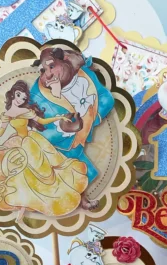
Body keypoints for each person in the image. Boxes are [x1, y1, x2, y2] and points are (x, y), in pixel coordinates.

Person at [0, 80, 89, 218]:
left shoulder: (25, 111)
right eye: (18, 95)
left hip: (30, 142)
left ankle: (54, 195)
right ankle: (24, 204)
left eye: (23, 98)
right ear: (13, 93)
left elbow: (42, 121)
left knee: (44, 172)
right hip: (16, 143)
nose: (20, 99)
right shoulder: (7, 115)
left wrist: (59, 117)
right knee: (19, 174)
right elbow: (1, 131)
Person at [30, 47, 116, 209]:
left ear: (65, 60)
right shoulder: (37, 96)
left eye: (52, 66)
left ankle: (76, 200)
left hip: (79, 142)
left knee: (82, 172)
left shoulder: (85, 76)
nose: (49, 74)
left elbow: (106, 98)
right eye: (43, 70)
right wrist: (64, 129)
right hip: (57, 148)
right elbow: (39, 132)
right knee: (71, 172)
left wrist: (90, 119)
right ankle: (63, 202)